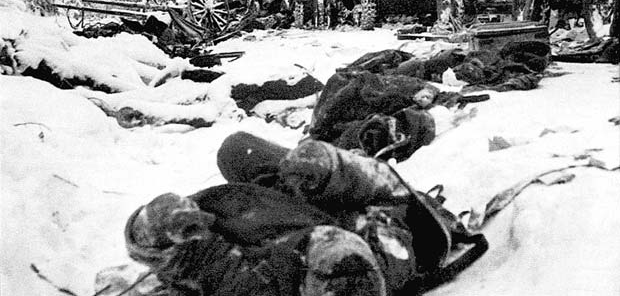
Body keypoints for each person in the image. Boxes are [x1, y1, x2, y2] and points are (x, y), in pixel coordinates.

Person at [124, 132, 487, 296]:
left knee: (233, 150)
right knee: (241, 150)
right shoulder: (397, 244)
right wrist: (332, 168)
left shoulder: (296, 271)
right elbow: (389, 189)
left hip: (269, 223)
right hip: (314, 210)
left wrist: (201, 256)